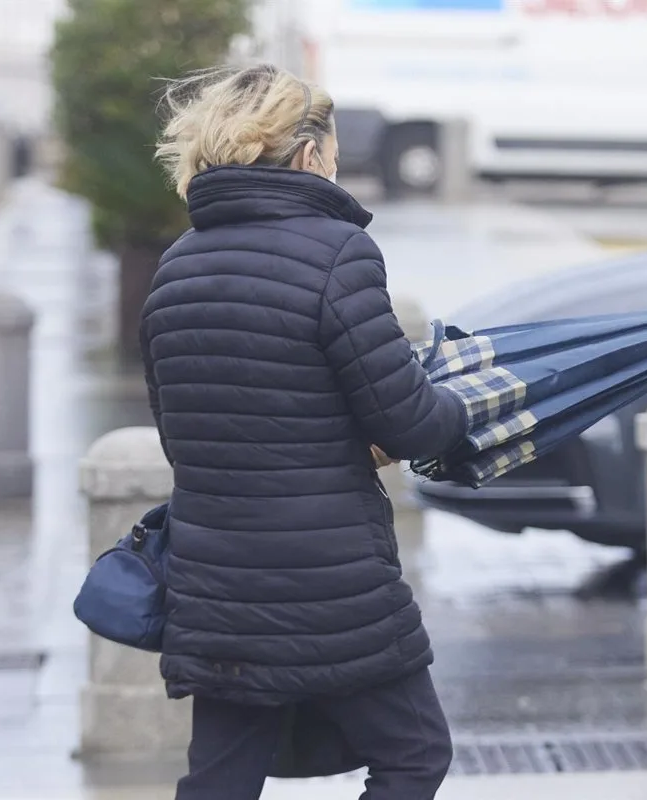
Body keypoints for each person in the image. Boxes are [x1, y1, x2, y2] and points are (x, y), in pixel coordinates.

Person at [145, 64, 468, 800]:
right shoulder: (337, 253)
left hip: (214, 583)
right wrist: (463, 409)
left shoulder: (175, 268)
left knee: (221, 779)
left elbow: (181, 433)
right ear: (308, 155)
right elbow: (408, 420)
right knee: (413, 755)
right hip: (329, 581)